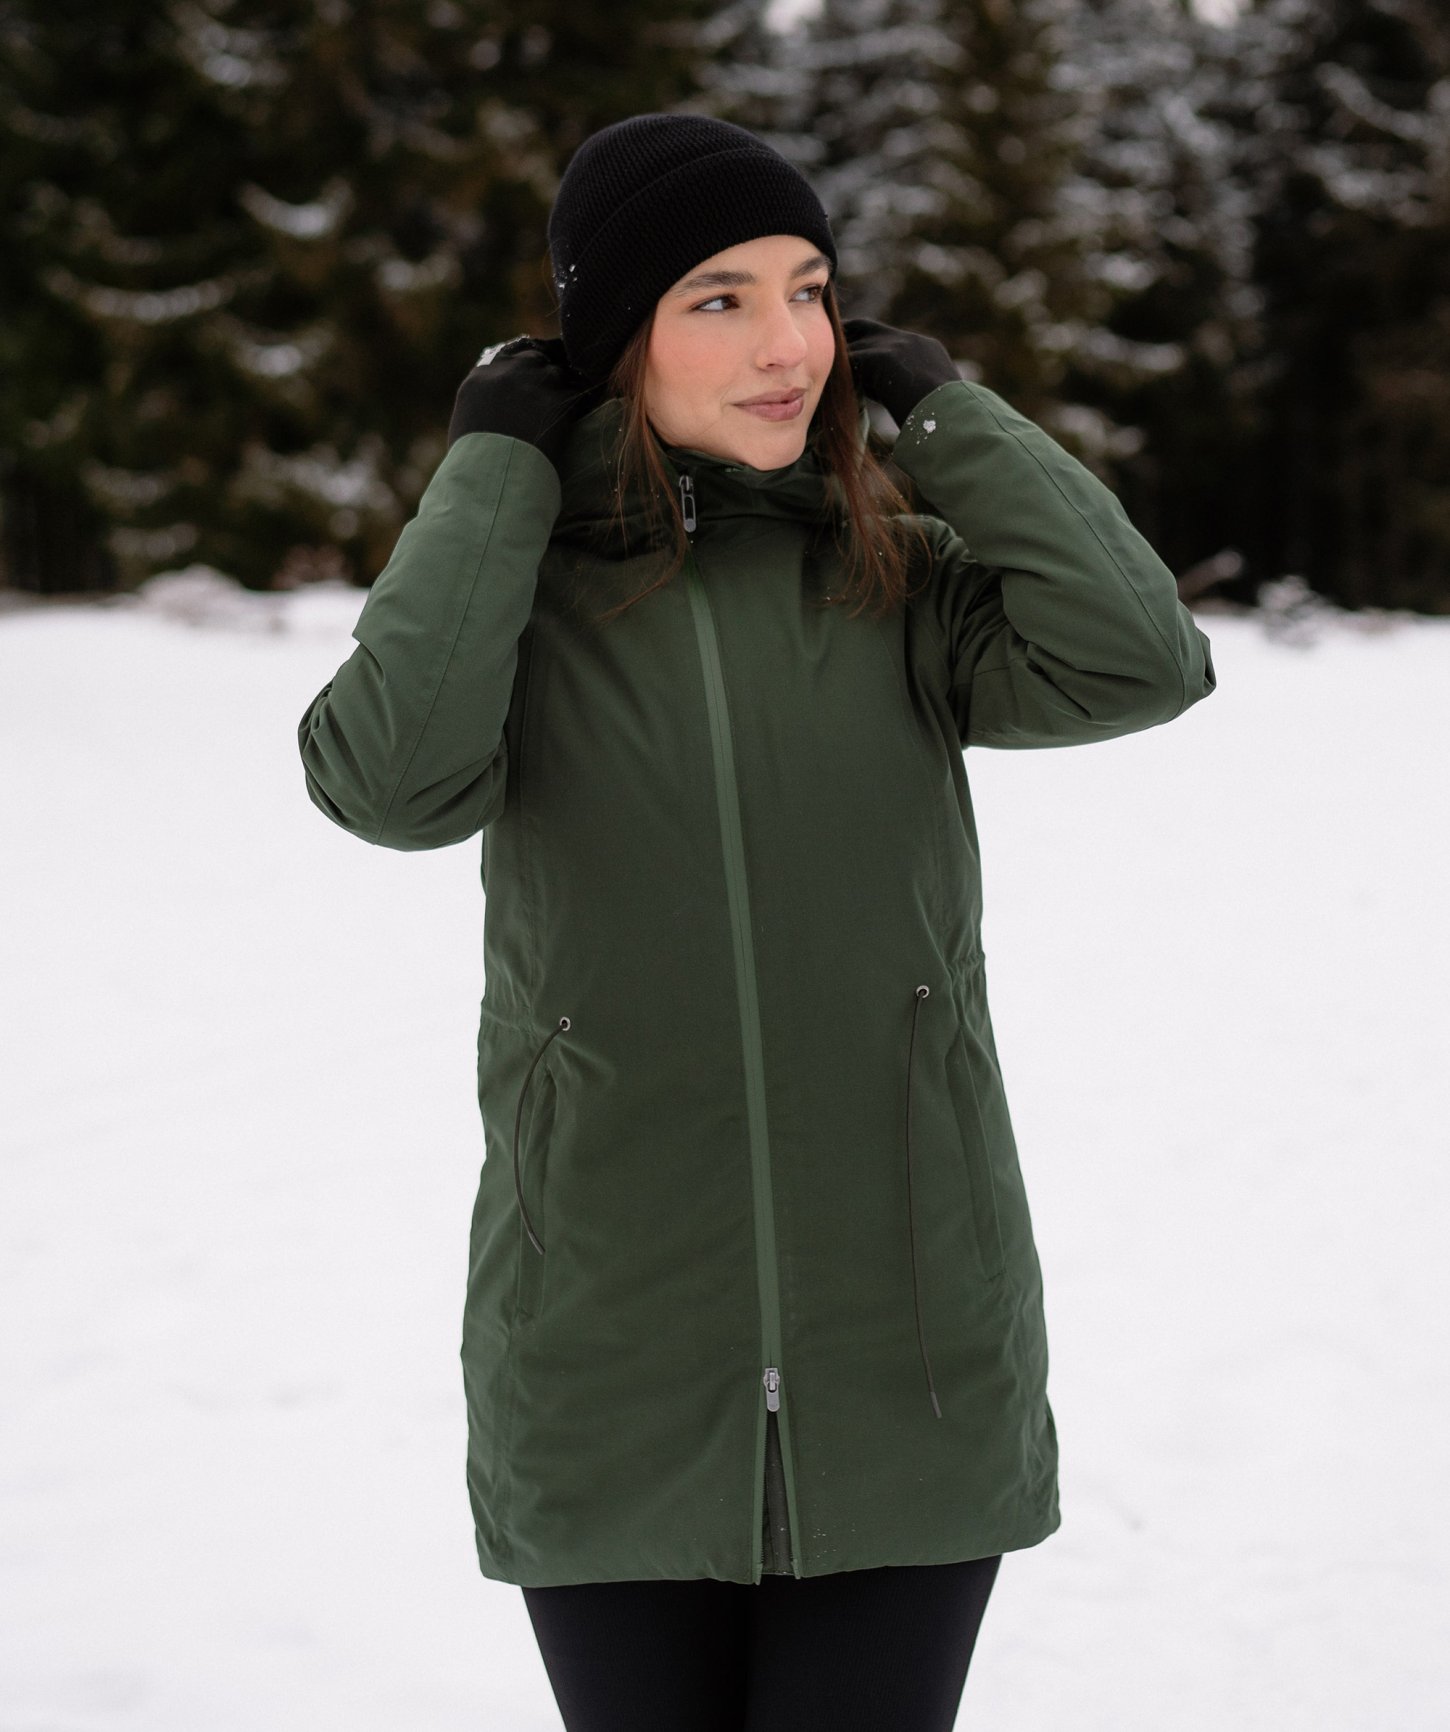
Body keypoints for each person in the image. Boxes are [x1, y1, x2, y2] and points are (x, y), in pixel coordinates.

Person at [297, 112, 1217, 1731]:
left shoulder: (900, 583)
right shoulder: (519, 600)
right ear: (612, 339)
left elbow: (1141, 660)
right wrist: (497, 471)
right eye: (717, 299)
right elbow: (386, 784)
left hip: (910, 1365)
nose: (788, 345)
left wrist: (951, 417)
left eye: (809, 290)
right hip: (604, 1368)